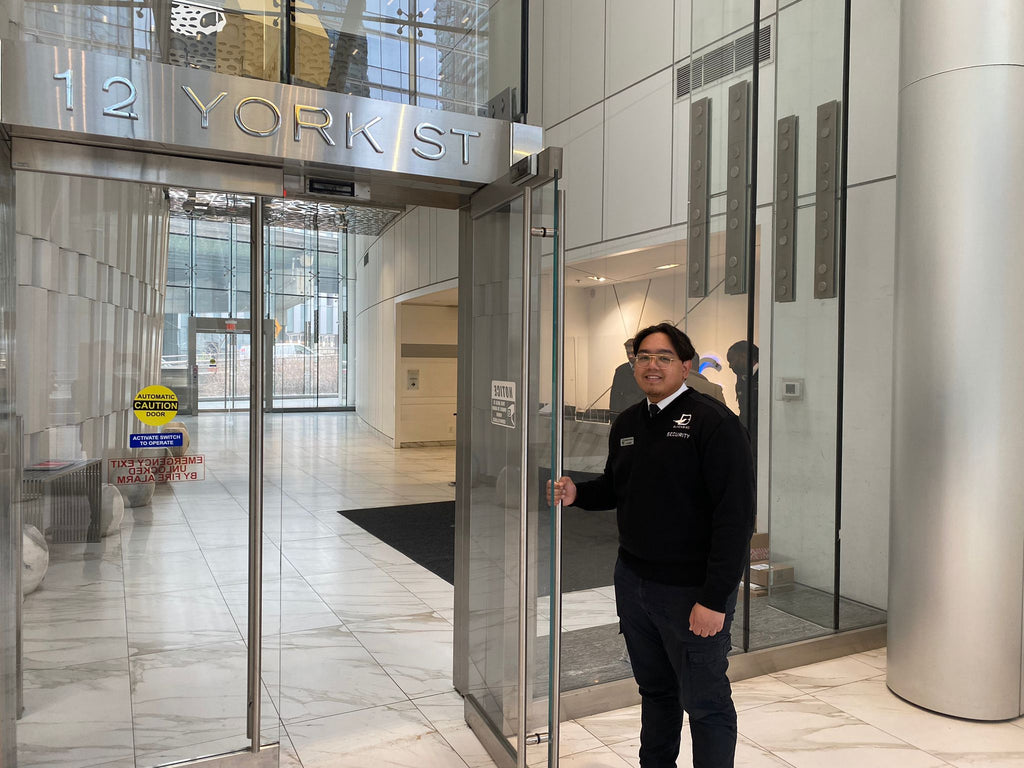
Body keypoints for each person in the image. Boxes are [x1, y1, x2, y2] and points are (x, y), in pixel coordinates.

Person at [549, 322, 755, 768]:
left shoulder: (714, 423)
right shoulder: (628, 422)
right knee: (656, 691)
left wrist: (715, 599)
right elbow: (617, 487)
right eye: (643, 356)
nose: (652, 365)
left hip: (691, 592)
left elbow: (734, 520)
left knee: (705, 703)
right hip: (635, 583)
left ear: (686, 366)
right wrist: (578, 494)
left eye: (664, 358)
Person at [726, 340, 759, 462]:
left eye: (731, 360)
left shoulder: (767, 376)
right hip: (749, 442)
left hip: (764, 443)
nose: (730, 366)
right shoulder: (741, 381)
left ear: (744, 356)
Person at [609, 337, 645, 418]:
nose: (630, 356)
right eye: (627, 353)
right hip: (625, 414)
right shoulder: (620, 371)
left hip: (642, 413)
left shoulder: (647, 369)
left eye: (632, 353)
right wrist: (613, 416)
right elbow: (614, 396)